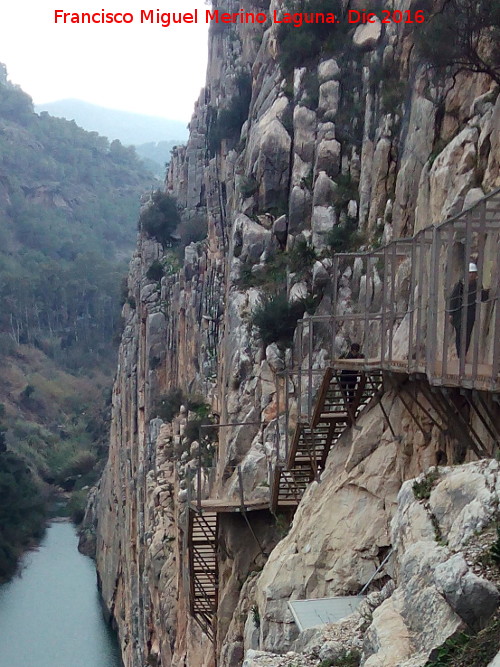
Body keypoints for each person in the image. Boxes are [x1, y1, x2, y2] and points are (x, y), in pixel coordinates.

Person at [449, 262, 489, 358]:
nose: (471, 274)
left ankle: (463, 355)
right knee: (459, 334)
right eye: (470, 272)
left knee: (467, 335)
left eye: (473, 272)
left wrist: (488, 292)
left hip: (470, 314)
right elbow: (453, 298)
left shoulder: (477, 285)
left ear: (476, 274)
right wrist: (451, 314)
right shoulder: (460, 285)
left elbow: (483, 298)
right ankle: (460, 355)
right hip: (459, 314)